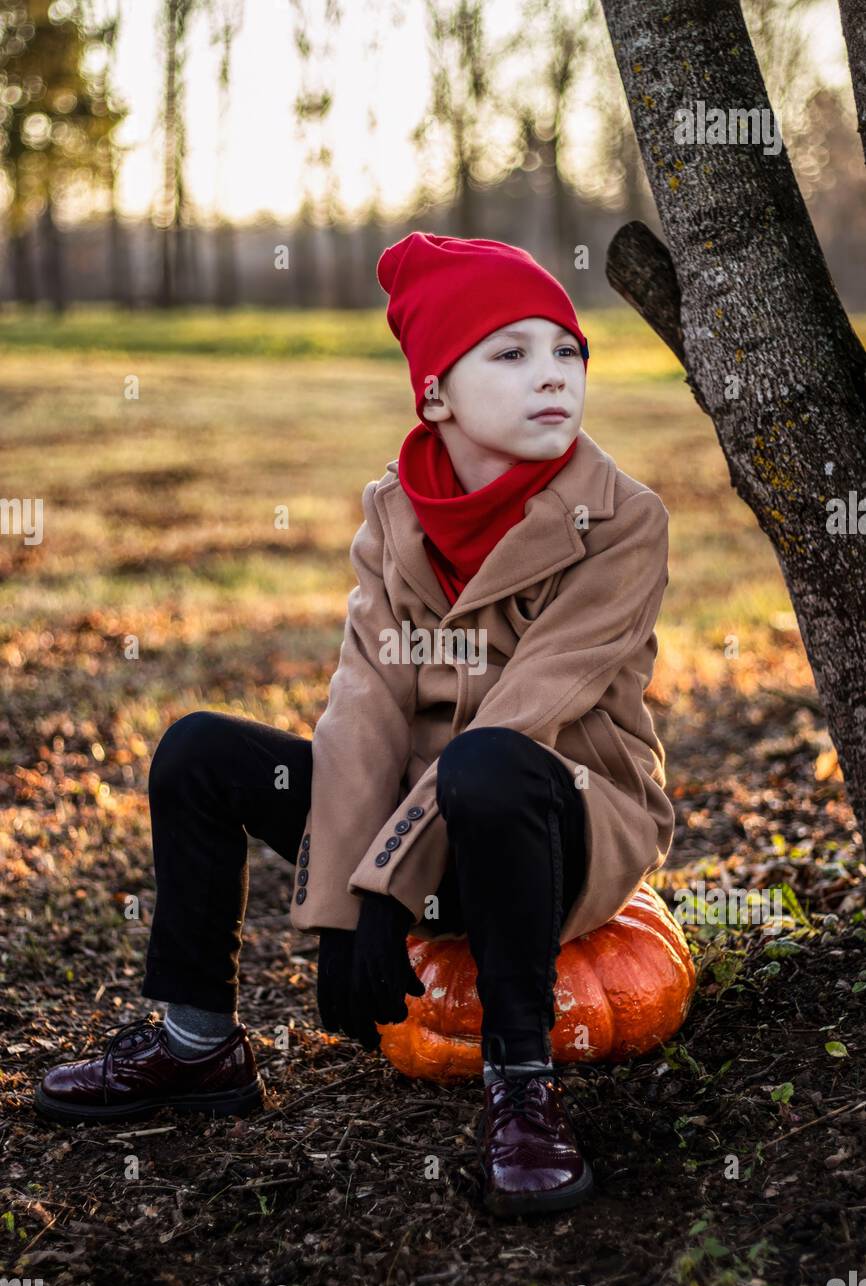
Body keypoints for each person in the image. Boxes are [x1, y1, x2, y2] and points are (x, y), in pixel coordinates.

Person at [35, 232, 675, 1218]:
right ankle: (196, 1044)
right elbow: (365, 706)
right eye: (508, 354)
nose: (552, 376)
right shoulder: (393, 516)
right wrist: (343, 901)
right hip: (422, 830)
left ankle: (522, 1089)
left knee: (488, 763)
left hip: (552, 826)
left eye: (565, 351)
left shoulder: (622, 521)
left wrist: (384, 887)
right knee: (199, 750)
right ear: (434, 395)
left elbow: (526, 709)